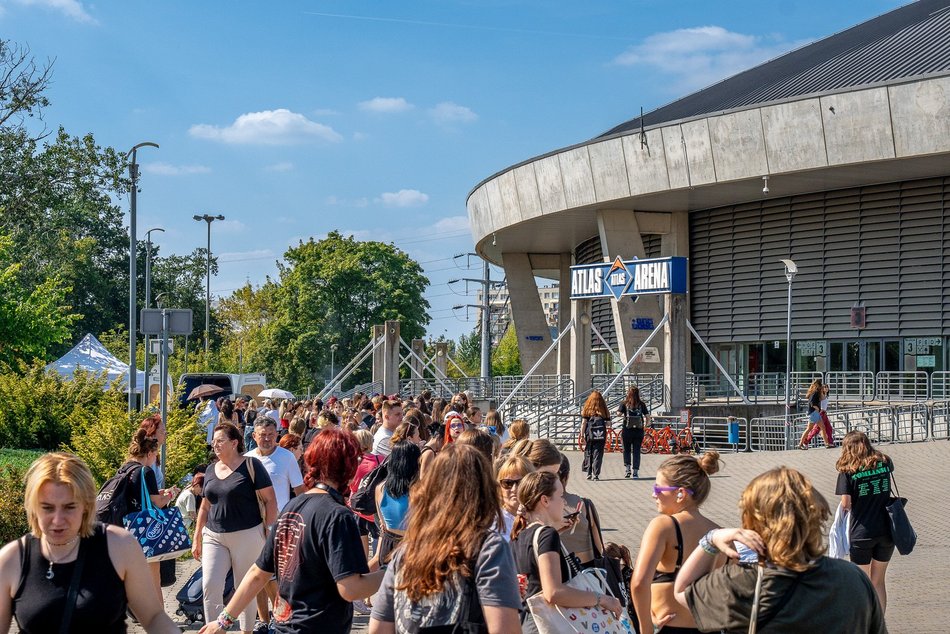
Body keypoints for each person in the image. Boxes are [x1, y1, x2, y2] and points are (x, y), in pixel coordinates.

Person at [197, 428, 384, 634]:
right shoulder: (338, 516)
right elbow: (351, 588)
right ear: (348, 467)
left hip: (282, 627)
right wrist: (393, 574)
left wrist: (223, 622)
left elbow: (258, 574)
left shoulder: (292, 507)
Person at [673, 467, 887, 633]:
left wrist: (711, 539)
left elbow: (682, 591)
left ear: (751, 522)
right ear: (816, 516)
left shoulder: (741, 584)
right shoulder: (852, 579)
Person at [0, 452, 180, 633]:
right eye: (47, 508)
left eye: (69, 507)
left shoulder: (119, 546)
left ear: (86, 506)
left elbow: (153, 617)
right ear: (32, 508)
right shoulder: (12, 559)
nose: (57, 520)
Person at [369, 444, 522, 633]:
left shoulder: (406, 551)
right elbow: (504, 629)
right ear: (486, 492)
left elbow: (378, 628)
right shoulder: (489, 548)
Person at [194, 423, 278, 634]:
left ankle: (246, 631)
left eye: (220, 440)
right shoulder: (211, 469)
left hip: (247, 534)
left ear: (234, 443)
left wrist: (269, 529)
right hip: (214, 535)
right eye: (214, 441)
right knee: (210, 585)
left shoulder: (252, 465)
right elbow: (205, 505)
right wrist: (197, 536)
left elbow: (270, 500)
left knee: (244, 586)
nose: (215, 445)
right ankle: (214, 630)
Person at [512, 471, 622, 632]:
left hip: (528, 623)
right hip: (550, 624)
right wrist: (602, 599)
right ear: (545, 500)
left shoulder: (519, 535)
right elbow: (553, 592)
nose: (564, 502)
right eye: (560, 496)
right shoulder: (547, 535)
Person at [631, 452, 722, 634]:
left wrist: (646, 627)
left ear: (680, 494)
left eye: (658, 489)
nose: (653, 494)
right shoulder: (719, 534)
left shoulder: (664, 526)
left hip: (668, 627)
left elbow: (639, 583)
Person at [836, 430, 895, 611]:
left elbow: (846, 504)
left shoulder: (847, 471)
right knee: (878, 581)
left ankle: (865, 624)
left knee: (862, 582)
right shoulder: (885, 462)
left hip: (862, 532)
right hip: (887, 531)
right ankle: (879, 624)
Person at [118, 429, 180, 601]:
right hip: (146, 531)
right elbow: (157, 503)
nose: (155, 459)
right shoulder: (146, 471)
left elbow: (140, 495)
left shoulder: (125, 469)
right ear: (151, 453)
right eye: (155, 454)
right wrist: (171, 494)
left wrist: (159, 492)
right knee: (154, 581)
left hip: (126, 530)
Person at [374, 441, 421, 565]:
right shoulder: (420, 490)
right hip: (412, 547)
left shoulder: (380, 488)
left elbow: (383, 524)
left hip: (388, 544)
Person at [557, 453, 604, 569]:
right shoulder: (585, 504)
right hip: (588, 570)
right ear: (567, 477)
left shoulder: (539, 507)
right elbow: (599, 547)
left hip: (557, 570)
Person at [495, 455, 535, 542]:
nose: (514, 489)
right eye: (507, 483)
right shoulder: (494, 522)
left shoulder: (539, 517)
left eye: (520, 483)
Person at [618, 386, 650, 478]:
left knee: (626, 450)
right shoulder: (642, 404)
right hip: (639, 431)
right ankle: (635, 472)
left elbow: (619, 414)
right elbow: (648, 417)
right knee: (636, 451)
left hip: (627, 430)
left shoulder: (624, 403)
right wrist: (646, 425)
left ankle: (628, 469)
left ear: (628, 393)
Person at [580, 390, 610, 480]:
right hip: (601, 434)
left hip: (590, 434)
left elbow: (583, 423)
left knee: (589, 452)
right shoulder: (604, 409)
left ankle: (588, 472)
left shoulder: (587, 409)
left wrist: (581, 435)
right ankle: (596, 474)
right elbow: (609, 424)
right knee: (598, 453)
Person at [798, 378, 827, 450]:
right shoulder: (815, 392)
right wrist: (817, 408)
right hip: (814, 413)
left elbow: (823, 398)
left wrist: (822, 391)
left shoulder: (816, 392)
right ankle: (800, 444)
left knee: (822, 427)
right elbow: (811, 403)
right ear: (819, 385)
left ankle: (827, 444)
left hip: (815, 413)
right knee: (809, 429)